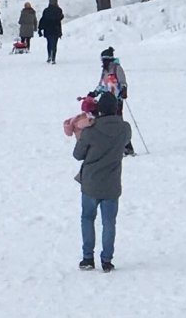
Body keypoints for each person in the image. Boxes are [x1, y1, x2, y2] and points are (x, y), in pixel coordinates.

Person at [73, 92, 131, 273]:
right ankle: (107, 260)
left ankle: (88, 258)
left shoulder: (91, 130)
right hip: (112, 184)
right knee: (109, 222)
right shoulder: (125, 129)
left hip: (91, 183)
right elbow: (126, 141)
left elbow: (78, 155)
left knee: (87, 218)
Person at [90, 47, 133, 156]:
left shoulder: (117, 68)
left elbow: (123, 81)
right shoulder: (104, 71)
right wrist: (95, 93)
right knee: (106, 122)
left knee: (117, 122)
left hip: (116, 100)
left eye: (103, 60)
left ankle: (127, 147)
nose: (102, 62)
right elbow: (101, 84)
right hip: (106, 100)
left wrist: (123, 90)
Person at [38, 0, 64, 64]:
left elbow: (43, 19)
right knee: (54, 44)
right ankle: (53, 58)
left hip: (48, 29)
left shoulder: (46, 10)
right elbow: (60, 17)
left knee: (49, 43)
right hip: (56, 29)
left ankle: (49, 55)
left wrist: (40, 29)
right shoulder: (59, 10)